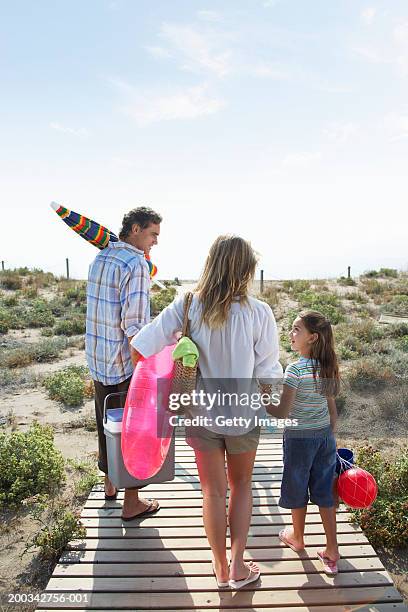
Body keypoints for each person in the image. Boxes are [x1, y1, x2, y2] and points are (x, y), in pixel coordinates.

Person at [131, 235, 283, 589]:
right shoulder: (259, 313)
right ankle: (239, 566)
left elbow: (141, 347)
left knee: (212, 492)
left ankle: (218, 569)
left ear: (211, 263)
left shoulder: (187, 305)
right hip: (243, 415)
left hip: (199, 415)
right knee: (242, 485)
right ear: (246, 269)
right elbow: (268, 373)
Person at [85, 206, 162, 520]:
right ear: (135, 229)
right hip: (125, 364)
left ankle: (109, 485)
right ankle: (132, 502)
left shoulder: (99, 258)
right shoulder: (136, 263)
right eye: (152, 234)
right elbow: (135, 326)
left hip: (99, 359)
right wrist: (146, 370)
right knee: (134, 432)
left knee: (107, 425)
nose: (155, 242)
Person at [265, 310, 340, 575]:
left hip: (299, 440)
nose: (291, 334)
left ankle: (297, 538)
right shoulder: (327, 367)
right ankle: (332, 548)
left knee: (297, 489)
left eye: (297, 329)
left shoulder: (294, 370)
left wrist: (264, 398)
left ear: (313, 337)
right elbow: (332, 412)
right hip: (324, 438)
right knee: (324, 492)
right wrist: (328, 436)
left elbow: (282, 412)